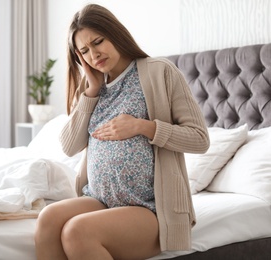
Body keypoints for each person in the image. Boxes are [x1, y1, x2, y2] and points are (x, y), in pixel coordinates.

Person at [34, 4, 209, 260]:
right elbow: (69, 146)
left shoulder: (160, 71)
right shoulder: (91, 86)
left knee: (78, 231)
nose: (94, 54)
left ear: (114, 33)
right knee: (48, 217)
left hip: (149, 208)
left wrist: (142, 126)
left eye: (98, 42)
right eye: (84, 51)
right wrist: (91, 91)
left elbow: (200, 139)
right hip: (100, 199)